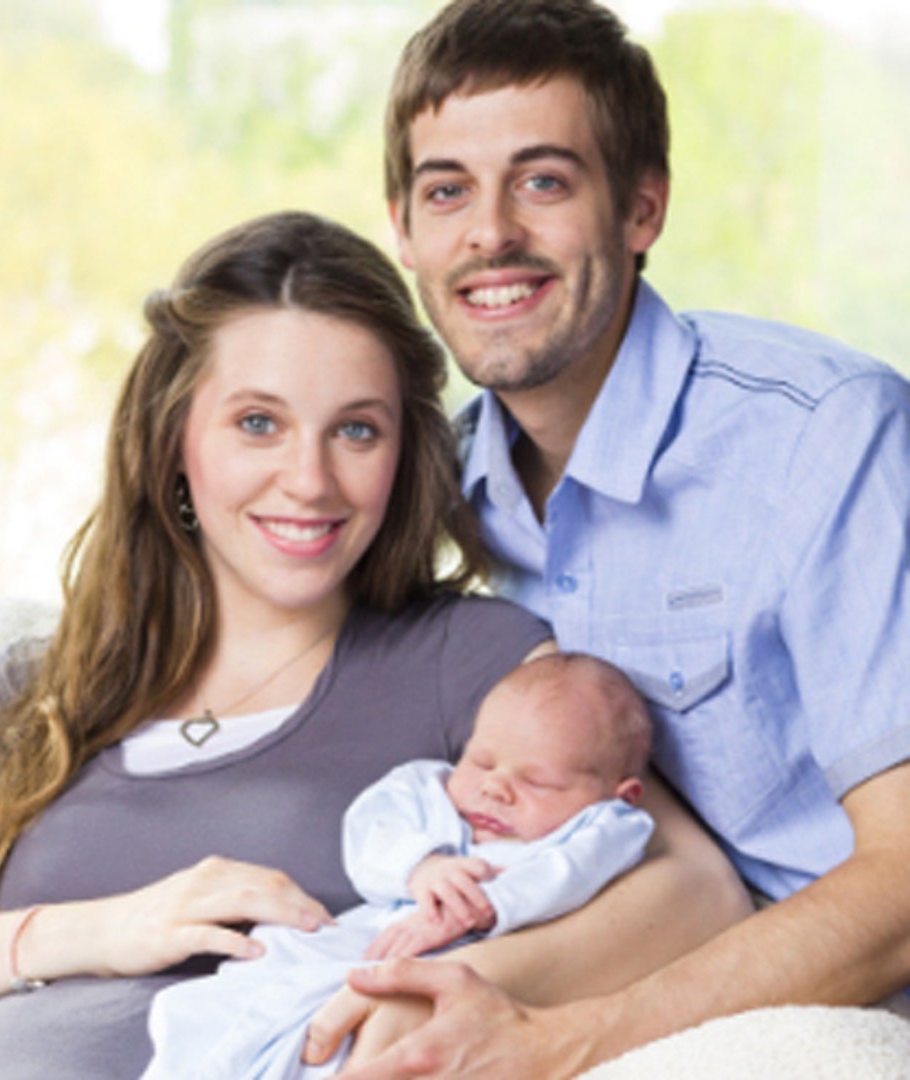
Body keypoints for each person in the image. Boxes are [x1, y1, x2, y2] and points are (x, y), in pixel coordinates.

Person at [0, 210, 743, 1077]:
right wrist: (102, 929)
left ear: (404, 451)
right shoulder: (35, 690)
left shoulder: (466, 662)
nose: (310, 481)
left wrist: (427, 987)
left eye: (357, 429)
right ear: (176, 441)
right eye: (259, 423)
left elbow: (699, 895)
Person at [301, 2, 910, 1076]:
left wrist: (563, 1042)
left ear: (640, 208)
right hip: (599, 960)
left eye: (542, 180)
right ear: (403, 228)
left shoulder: (826, 436)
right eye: (447, 191)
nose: (489, 234)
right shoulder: (428, 490)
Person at [144, 653, 653, 1079]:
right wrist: (419, 865)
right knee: (215, 1008)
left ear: (619, 795)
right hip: (356, 940)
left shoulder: (606, 826)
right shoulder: (427, 789)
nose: (494, 787)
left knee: (320, 1041)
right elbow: (368, 830)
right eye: (481, 761)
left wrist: (485, 905)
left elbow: (569, 872)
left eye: (538, 782)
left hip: (449, 975)